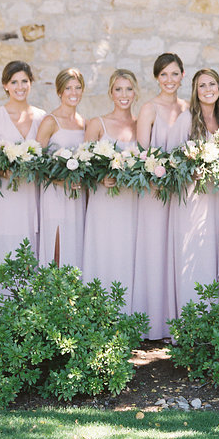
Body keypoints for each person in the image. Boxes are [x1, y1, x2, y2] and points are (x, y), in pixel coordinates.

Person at [133, 52, 188, 339]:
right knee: (155, 249)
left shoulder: (188, 108)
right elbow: (142, 153)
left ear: (182, 76)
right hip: (154, 191)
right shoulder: (149, 108)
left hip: (181, 191)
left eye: (174, 73)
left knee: (178, 251)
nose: (169, 79)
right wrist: (158, 170)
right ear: (157, 77)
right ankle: (153, 321)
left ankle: (176, 320)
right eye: (164, 74)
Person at [166, 68, 219, 319]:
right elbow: (170, 158)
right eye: (202, 85)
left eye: (212, 84)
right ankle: (191, 319)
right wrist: (190, 170)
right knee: (193, 251)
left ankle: (214, 316)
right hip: (192, 198)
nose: (208, 89)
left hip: (218, 197)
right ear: (195, 91)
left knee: (214, 250)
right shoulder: (186, 120)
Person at [0, 60, 47, 268]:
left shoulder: (42, 117)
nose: (20, 87)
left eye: (24, 81)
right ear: (5, 85)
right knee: (3, 249)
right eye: (14, 82)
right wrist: (1, 169)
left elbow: (46, 158)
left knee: (28, 251)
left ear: (31, 83)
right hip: (3, 198)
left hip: (30, 195)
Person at [82, 69, 139, 311]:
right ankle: (98, 310)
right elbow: (82, 164)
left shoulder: (141, 125)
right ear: (110, 93)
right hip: (103, 200)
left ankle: (127, 311)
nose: (123, 94)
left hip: (131, 200)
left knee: (127, 252)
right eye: (118, 89)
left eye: (128, 89)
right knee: (103, 250)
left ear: (135, 93)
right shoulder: (97, 123)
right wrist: (100, 178)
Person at [35, 68, 87, 268]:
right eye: (68, 88)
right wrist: (61, 179)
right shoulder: (50, 121)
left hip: (77, 195)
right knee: (57, 242)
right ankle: (52, 295)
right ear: (59, 92)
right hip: (55, 193)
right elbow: (36, 162)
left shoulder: (84, 122)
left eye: (78, 87)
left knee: (75, 243)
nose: (73, 93)